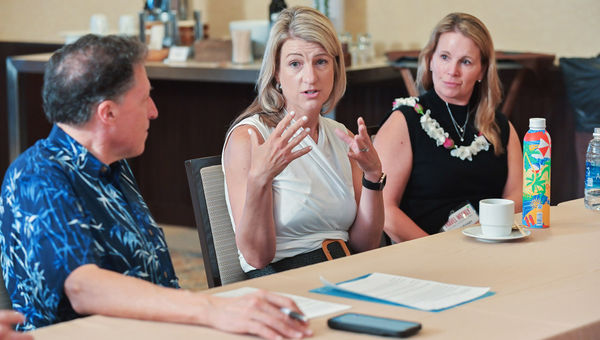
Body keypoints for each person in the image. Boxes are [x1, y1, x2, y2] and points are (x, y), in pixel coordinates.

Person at [0, 34, 311, 340]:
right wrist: (210, 309)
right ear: (108, 113)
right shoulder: (37, 176)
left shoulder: (112, 164)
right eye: (144, 98)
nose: (154, 111)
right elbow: (84, 287)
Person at [222, 6, 385, 277]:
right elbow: (257, 257)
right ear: (276, 72)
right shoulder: (251, 137)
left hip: (346, 270)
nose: (310, 77)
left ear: (335, 66)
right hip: (283, 279)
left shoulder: (339, 134)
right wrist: (259, 178)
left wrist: (373, 176)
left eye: (320, 61)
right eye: (295, 64)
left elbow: (365, 244)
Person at [374, 13, 523, 242]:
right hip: (422, 254)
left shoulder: (501, 127)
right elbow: (384, 211)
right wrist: (438, 251)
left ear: (482, 70)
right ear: (430, 60)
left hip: (490, 249)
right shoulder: (404, 120)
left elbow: (517, 198)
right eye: (445, 57)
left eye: (465, 61)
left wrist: (486, 239)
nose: (452, 71)